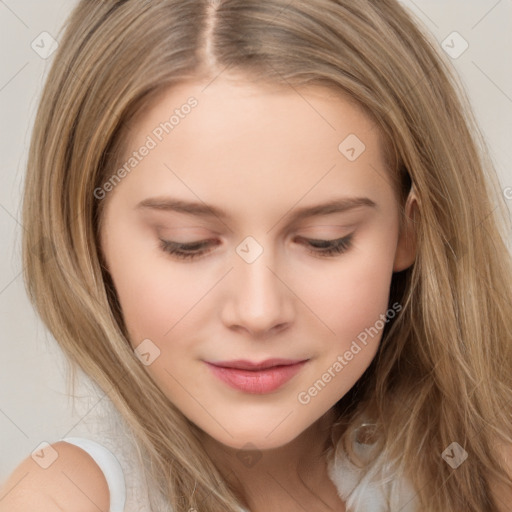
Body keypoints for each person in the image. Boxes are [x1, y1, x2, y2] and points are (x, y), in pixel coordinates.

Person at [1, 0, 512, 511]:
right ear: (91, 237)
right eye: (187, 243)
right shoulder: (66, 498)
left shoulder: (480, 469)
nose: (259, 310)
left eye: (324, 240)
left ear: (410, 229)